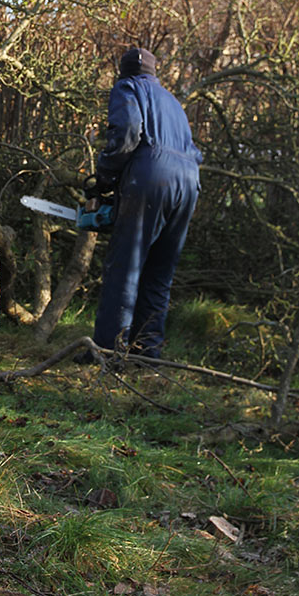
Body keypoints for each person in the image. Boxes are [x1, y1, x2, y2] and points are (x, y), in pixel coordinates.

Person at [84, 47, 202, 361]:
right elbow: (194, 149)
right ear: (154, 71)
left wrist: (106, 175)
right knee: (159, 272)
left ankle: (109, 351)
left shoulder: (127, 88)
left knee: (125, 267)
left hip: (151, 175)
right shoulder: (173, 102)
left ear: (123, 71)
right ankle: (147, 353)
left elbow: (126, 133)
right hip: (189, 181)